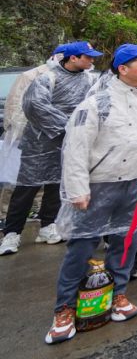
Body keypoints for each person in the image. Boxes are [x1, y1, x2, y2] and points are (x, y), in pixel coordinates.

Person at [46, 44, 137, 345]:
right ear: (123, 68)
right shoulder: (97, 103)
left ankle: (117, 295)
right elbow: (76, 148)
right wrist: (77, 189)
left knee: (127, 241)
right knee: (82, 246)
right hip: (100, 185)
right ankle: (64, 308)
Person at [1, 42, 100, 256]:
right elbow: (35, 105)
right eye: (88, 57)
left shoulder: (91, 79)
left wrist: (79, 130)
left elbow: (96, 105)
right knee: (27, 187)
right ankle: (12, 233)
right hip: (40, 142)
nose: (92, 61)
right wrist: (69, 126)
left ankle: (48, 226)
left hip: (71, 141)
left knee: (57, 184)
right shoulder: (47, 78)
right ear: (72, 58)